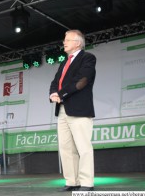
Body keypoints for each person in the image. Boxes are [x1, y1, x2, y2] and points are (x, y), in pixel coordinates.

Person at [49, 30, 96, 192]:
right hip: (62, 109)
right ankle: (72, 181)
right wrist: (53, 93)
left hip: (80, 109)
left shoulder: (88, 58)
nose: (64, 42)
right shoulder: (63, 62)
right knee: (66, 148)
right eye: (64, 39)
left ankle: (87, 183)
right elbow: (55, 81)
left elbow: (82, 81)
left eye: (67, 39)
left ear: (78, 43)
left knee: (83, 147)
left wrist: (61, 94)